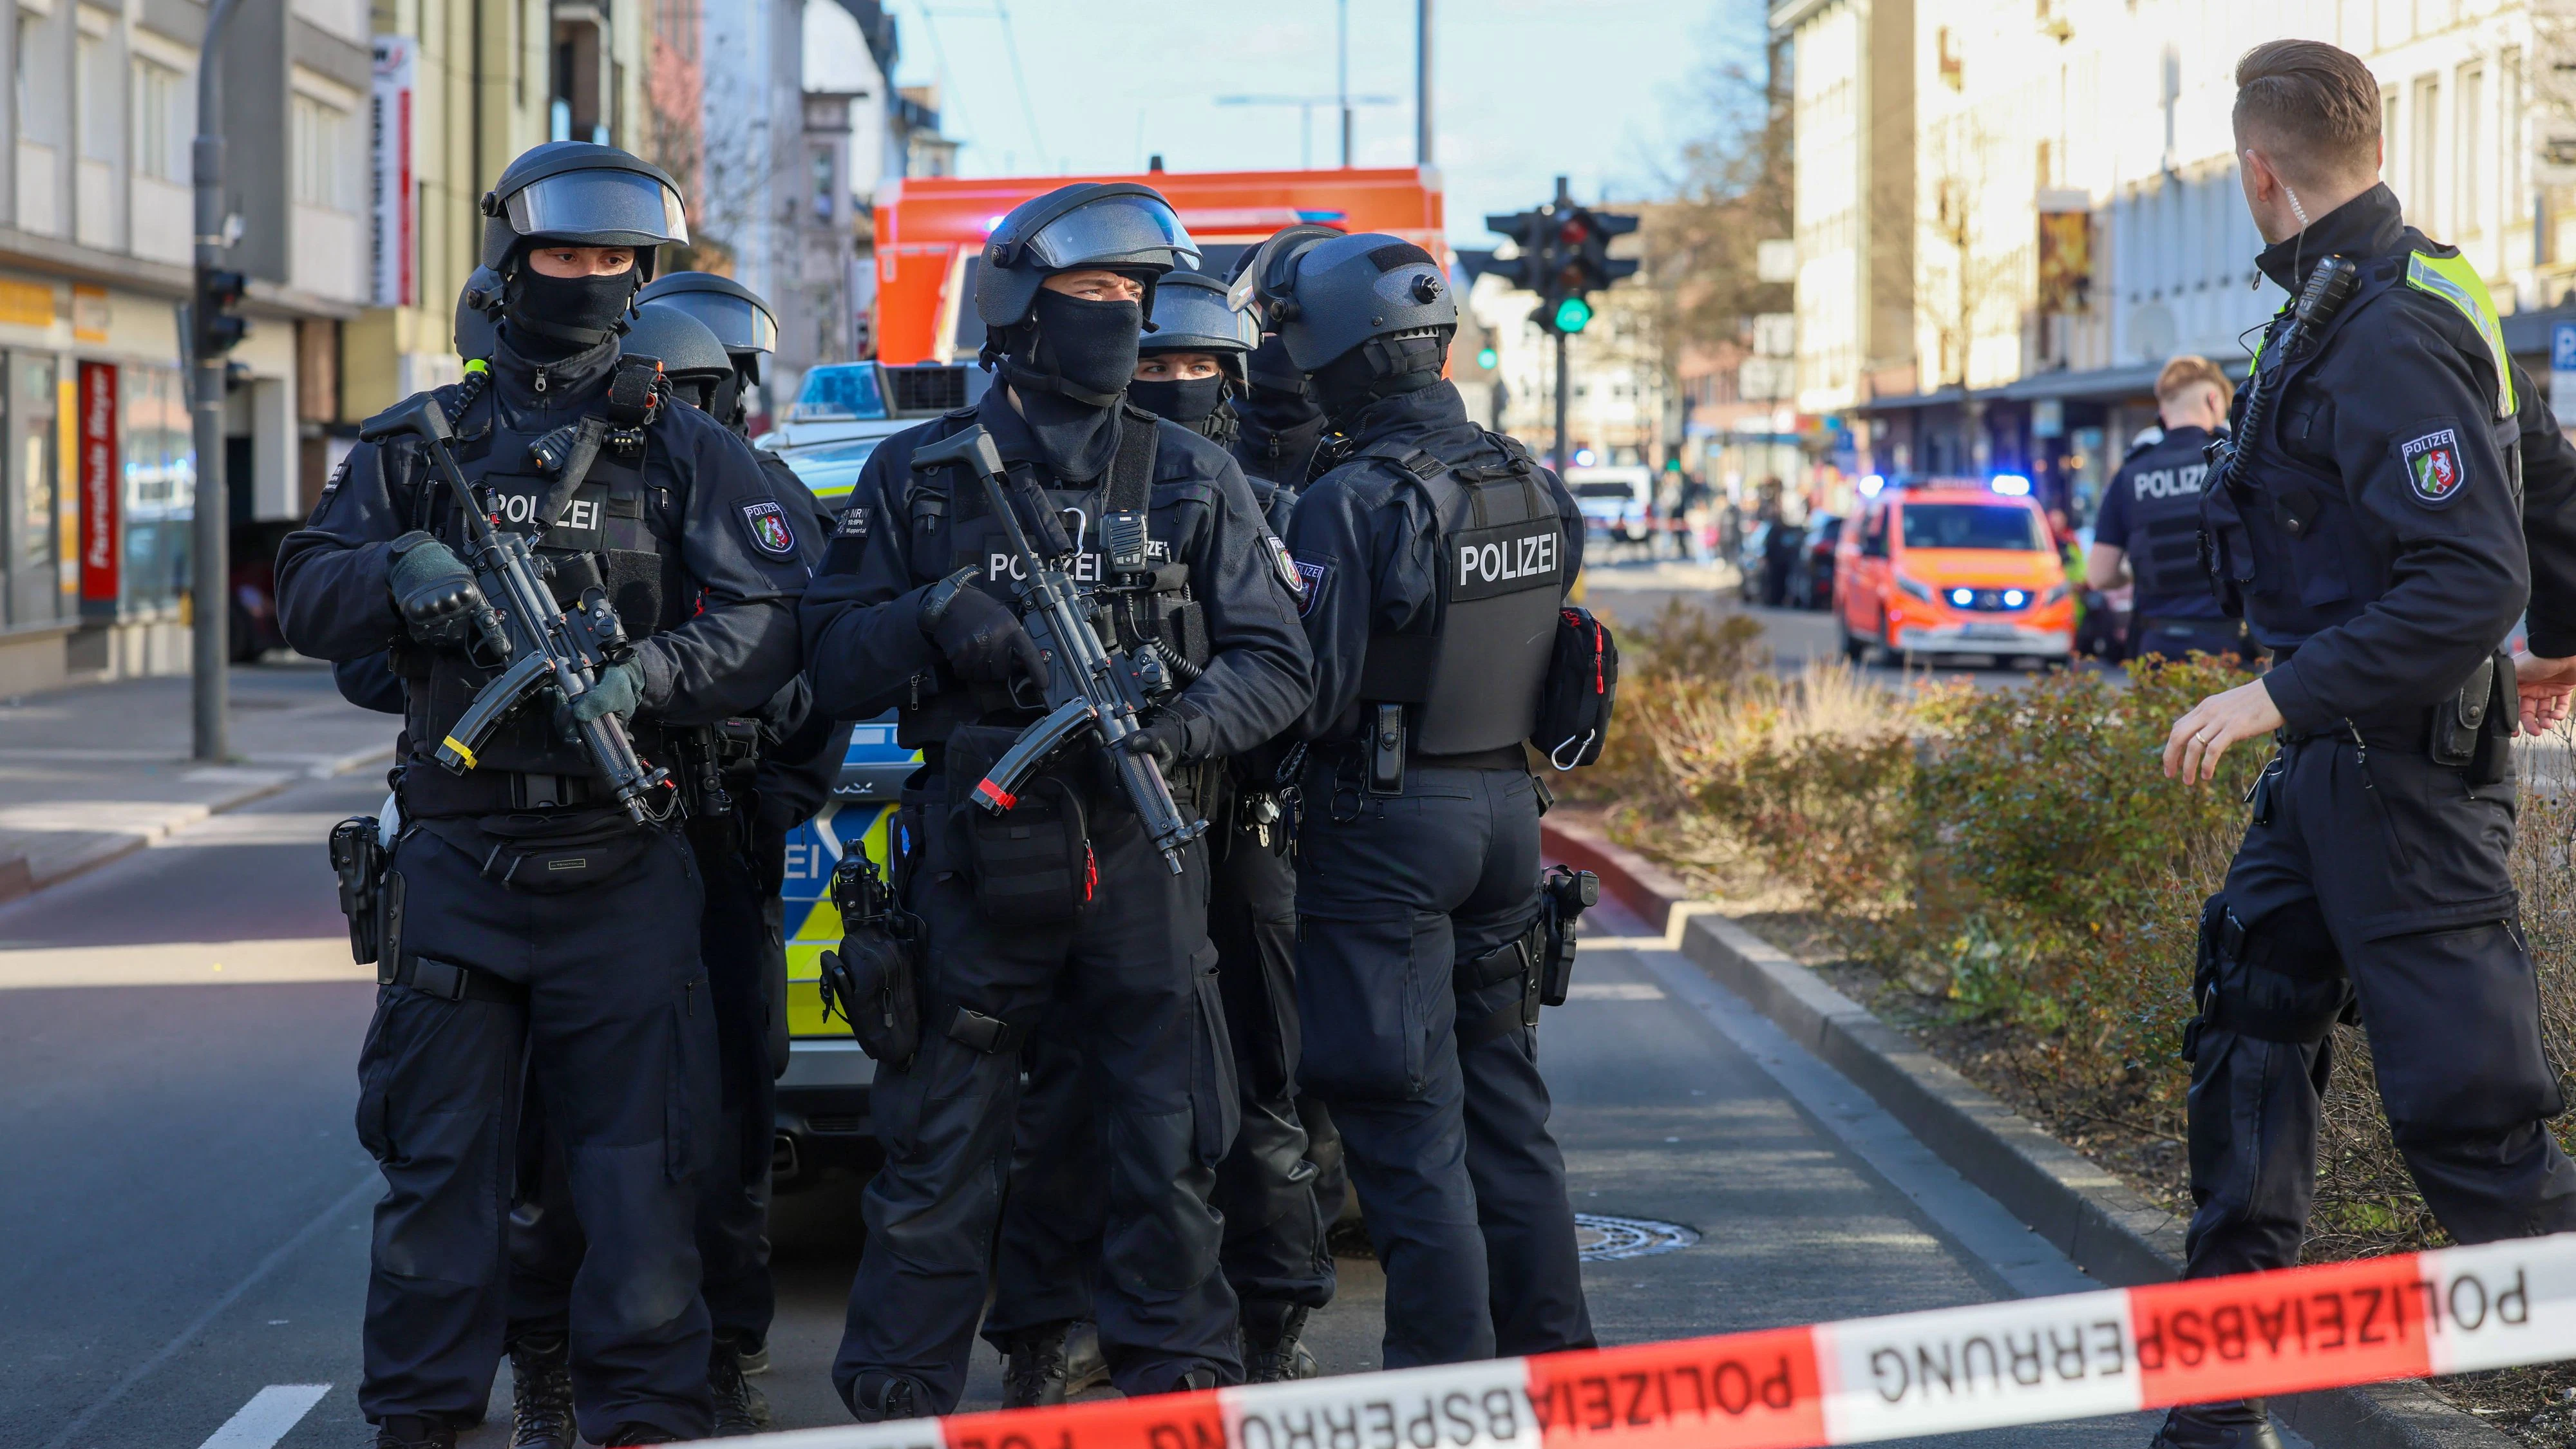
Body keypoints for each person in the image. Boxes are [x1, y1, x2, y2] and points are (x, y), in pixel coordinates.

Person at [276, 141, 809, 1449]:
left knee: (640, 1186)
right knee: (437, 1177)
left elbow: (771, 623)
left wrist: (650, 674)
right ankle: (422, 1419)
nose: (588, 277)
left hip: (623, 860)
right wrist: (392, 574)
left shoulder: (684, 448)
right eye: (565, 253)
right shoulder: (418, 446)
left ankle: (639, 1421)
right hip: (459, 865)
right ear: (512, 264)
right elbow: (305, 592)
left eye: (613, 258)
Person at [798, 181, 1312, 1419]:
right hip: (978, 855)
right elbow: (823, 657)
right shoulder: (921, 477)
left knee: (1166, 1146)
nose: (1122, 314)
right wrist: (933, 615)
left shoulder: (1191, 471)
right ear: (1023, 305)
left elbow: (1278, 660)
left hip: (1145, 843)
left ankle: (1176, 1386)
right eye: (1095, 289)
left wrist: (1177, 728)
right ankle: (901, 1399)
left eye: (1136, 293)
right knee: (941, 1150)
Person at [2158, 41, 2576, 1449]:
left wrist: (2274, 697)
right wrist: (2564, 630)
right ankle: (2214, 1418)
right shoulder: (2403, 292)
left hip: (2397, 779)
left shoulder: (2386, 327)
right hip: (2335, 767)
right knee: (2248, 1036)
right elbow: (2546, 475)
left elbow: (2468, 575)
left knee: (2474, 1135)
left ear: (2256, 171)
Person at [980, 265, 1335, 1403]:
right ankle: (1060, 1324)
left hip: (1240, 831)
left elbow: (1296, 675)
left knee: (1254, 1090)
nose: (1178, 382)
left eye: (1200, 366)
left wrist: (1194, 726)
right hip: (1114, 842)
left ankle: (1269, 1314)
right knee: (1077, 1093)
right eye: (1159, 364)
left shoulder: (1261, 499)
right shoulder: (1072, 491)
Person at [497, 298, 848, 1445]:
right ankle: (552, 1354)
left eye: (702, 394)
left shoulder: (762, 494)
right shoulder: (560, 482)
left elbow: (813, 675)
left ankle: (724, 1346)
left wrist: (765, 806)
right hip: (588, 843)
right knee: (565, 1121)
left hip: (716, 836)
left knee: (725, 1115)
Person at [1242, 227, 1595, 1370]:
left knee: (1406, 1133)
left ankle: (1443, 1399)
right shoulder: (1529, 479)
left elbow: (1310, 691)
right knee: (1509, 1116)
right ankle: (1557, 1373)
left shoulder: (1349, 500)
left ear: (1337, 354)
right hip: (1507, 819)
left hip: (1386, 830)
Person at [2088, 357, 2251, 663]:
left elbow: (2099, 575)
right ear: (2213, 400)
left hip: (2157, 648)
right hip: (2228, 647)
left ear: (2162, 411)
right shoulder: (2236, 463)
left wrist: (2135, 572)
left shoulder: (2131, 472)